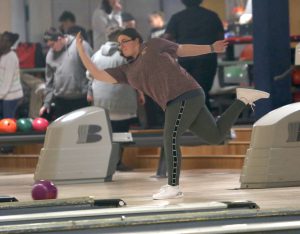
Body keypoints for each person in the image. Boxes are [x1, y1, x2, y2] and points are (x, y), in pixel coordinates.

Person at [76, 28, 270, 200]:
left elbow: (182, 49)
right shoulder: (126, 71)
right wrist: (81, 52)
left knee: (169, 138)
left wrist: (211, 48)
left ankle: (173, 186)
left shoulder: (154, 45)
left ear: (137, 40)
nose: (122, 45)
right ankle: (242, 100)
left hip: (186, 94)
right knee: (215, 135)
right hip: (175, 102)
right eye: (119, 44)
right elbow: (98, 74)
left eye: (125, 41)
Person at [87, 26, 144, 171]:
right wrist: (141, 93)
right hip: (120, 100)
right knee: (121, 133)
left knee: (106, 133)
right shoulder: (124, 55)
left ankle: (106, 163)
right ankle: (117, 162)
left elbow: (89, 75)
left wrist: (90, 93)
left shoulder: (97, 54)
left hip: (101, 102)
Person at [164, 0, 224, 110]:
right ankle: (206, 121)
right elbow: (221, 38)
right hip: (207, 59)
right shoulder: (212, 16)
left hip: (186, 59)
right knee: (203, 91)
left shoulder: (177, 17)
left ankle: (194, 121)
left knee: (189, 92)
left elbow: (167, 39)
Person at [39, 28, 92, 119]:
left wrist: (91, 92)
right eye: (49, 46)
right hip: (61, 101)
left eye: (52, 44)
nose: (52, 48)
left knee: (81, 130)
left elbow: (92, 70)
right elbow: (49, 82)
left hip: (81, 99)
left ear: (60, 39)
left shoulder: (81, 45)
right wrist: (46, 103)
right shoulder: (50, 55)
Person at [0, 31, 23, 154]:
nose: (0, 41)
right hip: (4, 95)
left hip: (11, 95)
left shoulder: (11, 57)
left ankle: (8, 147)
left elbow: (7, 81)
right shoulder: (3, 55)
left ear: (8, 43)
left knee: (8, 122)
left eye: (2, 40)